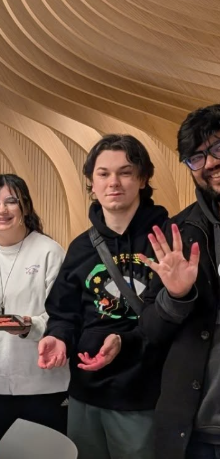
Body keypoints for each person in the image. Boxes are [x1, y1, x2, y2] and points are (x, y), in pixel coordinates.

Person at [39, 135, 168, 459]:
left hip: (145, 395)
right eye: (103, 173)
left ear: (142, 179)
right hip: (86, 392)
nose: (114, 182)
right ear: (91, 183)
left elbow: (173, 315)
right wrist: (58, 338)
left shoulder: (167, 237)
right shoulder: (82, 247)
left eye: (125, 172)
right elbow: (65, 313)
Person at [0, 174, 68, 447]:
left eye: (11, 202)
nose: (1, 210)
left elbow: (63, 316)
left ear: (25, 207)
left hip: (44, 382)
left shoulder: (49, 252)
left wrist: (28, 326)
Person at [137, 105, 220, 459]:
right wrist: (176, 296)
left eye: (217, 149)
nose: (210, 164)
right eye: (196, 158)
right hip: (196, 432)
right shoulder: (179, 234)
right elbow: (150, 331)